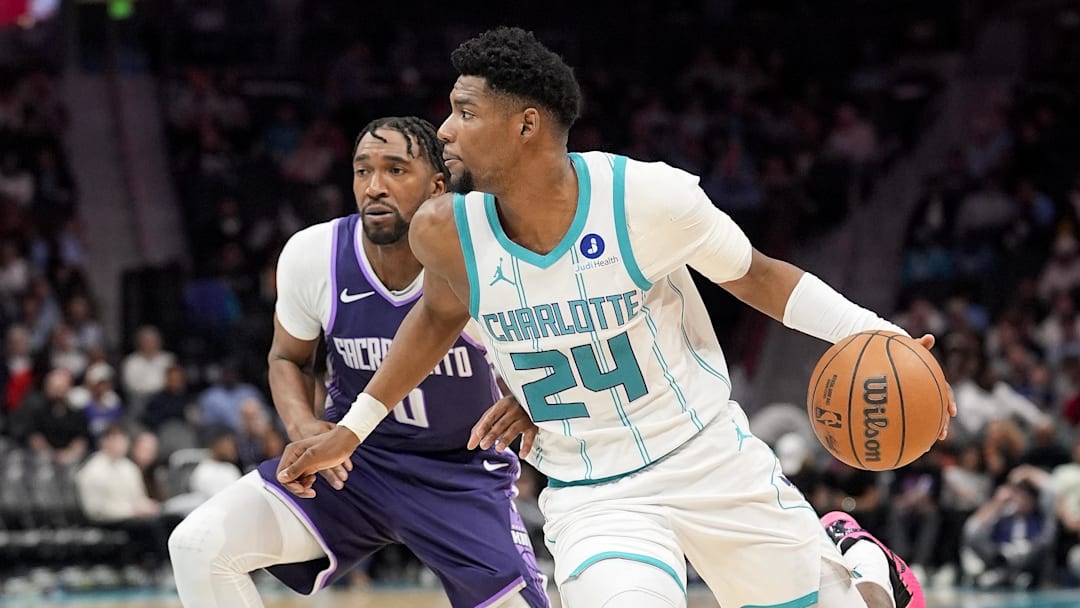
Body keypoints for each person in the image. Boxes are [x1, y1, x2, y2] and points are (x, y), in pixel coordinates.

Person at [276, 28, 957, 608]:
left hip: (708, 457)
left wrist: (882, 336)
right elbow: (438, 317)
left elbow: (759, 277)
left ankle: (865, 568)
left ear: (525, 125)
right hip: (592, 492)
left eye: (464, 112)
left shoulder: (647, 199)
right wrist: (353, 429)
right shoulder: (446, 230)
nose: (445, 130)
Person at [169, 116, 548, 608]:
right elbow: (287, 356)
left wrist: (526, 397)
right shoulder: (314, 253)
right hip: (352, 465)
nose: (375, 186)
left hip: (459, 475)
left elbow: (546, 351)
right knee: (198, 545)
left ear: (437, 185)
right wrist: (303, 425)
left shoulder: (478, 261)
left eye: (395, 170)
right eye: (362, 171)